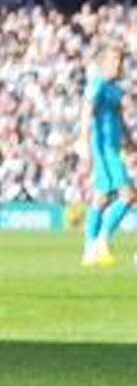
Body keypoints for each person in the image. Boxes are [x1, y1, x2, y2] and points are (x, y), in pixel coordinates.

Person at [78, 45, 133, 267]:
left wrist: (130, 142)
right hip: (103, 149)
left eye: (120, 60)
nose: (118, 64)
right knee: (128, 195)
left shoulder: (115, 89)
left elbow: (119, 119)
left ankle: (89, 248)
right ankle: (101, 240)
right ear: (103, 63)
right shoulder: (97, 84)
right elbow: (86, 110)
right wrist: (83, 141)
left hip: (113, 148)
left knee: (101, 198)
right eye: (114, 60)